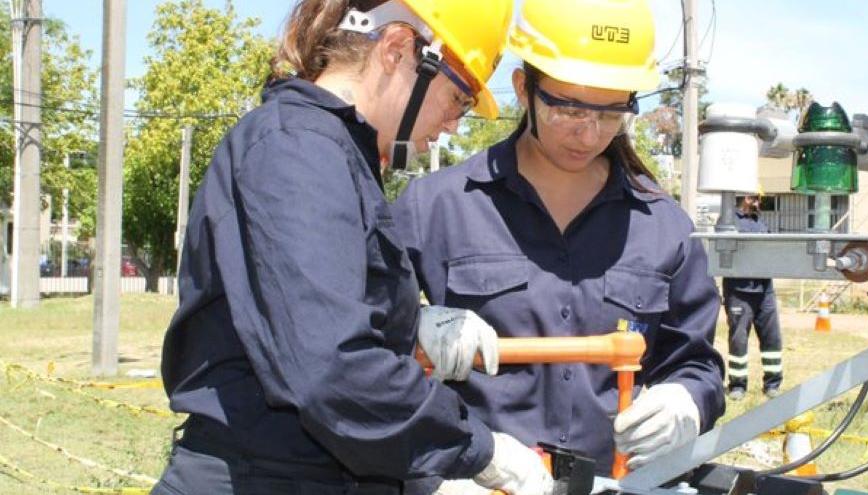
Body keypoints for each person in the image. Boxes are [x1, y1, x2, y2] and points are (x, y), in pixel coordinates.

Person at [153, 1, 555, 494]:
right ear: (398, 50)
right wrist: (476, 449)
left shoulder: (333, 152)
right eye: (459, 98)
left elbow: (307, 317)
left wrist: (404, 329)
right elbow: (331, 371)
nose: (454, 123)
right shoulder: (296, 149)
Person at [393, 0, 725, 482]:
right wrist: (411, 329)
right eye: (567, 107)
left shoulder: (662, 226)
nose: (588, 133)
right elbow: (360, 354)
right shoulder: (433, 209)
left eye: (612, 113)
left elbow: (696, 364)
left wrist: (687, 402)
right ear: (524, 88)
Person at [723, 194, 783, 400]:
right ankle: (737, 385)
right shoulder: (728, 221)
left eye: (759, 199)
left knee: (772, 337)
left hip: (765, 288)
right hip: (739, 290)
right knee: (739, 339)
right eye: (754, 198)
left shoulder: (761, 223)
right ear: (743, 198)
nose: (758, 203)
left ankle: (772, 383)